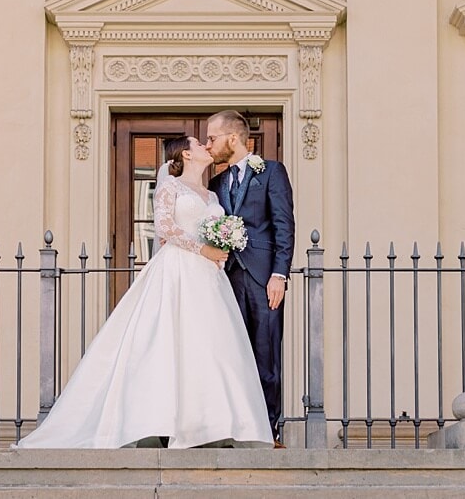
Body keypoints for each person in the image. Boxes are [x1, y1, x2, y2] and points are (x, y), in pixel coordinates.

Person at [17, 136, 273, 449]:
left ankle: (208, 425)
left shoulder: (211, 193)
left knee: (209, 347)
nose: (207, 146)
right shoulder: (170, 187)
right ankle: (162, 423)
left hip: (209, 279)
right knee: (169, 343)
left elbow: (209, 229)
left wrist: (222, 244)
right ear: (186, 154)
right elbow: (165, 228)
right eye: (198, 143)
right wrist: (203, 249)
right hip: (178, 272)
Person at [205, 111, 295, 447]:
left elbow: (284, 225)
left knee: (266, 356)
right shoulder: (215, 184)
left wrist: (279, 274)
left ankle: (269, 431)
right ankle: (233, 428)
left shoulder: (271, 172)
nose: (209, 145)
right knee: (229, 356)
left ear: (233, 138)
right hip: (226, 279)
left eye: (213, 138)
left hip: (262, 277)